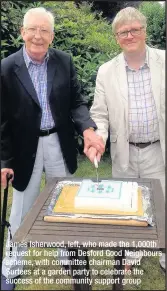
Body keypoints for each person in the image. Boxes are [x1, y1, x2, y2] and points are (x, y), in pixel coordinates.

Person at [1, 7, 105, 290]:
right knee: (21, 210)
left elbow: (77, 102)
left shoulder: (64, 61)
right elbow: (2, 120)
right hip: (25, 148)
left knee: (66, 203)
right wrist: (4, 161)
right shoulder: (7, 68)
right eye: (33, 29)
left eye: (44, 30)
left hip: (58, 143)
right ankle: (12, 267)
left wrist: (87, 128)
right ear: (23, 32)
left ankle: (68, 257)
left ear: (52, 35)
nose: (38, 35)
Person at [85, 7, 165, 272]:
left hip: (158, 148)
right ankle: (132, 253)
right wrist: (98, 138)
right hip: (125, 152)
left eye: (135, 30)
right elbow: (100, 115)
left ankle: (164, 253)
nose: (130, 35)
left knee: (162, 204)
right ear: (116, 37)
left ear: (144, 31)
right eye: (123, 32)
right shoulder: (106, 71)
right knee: (128, 205)